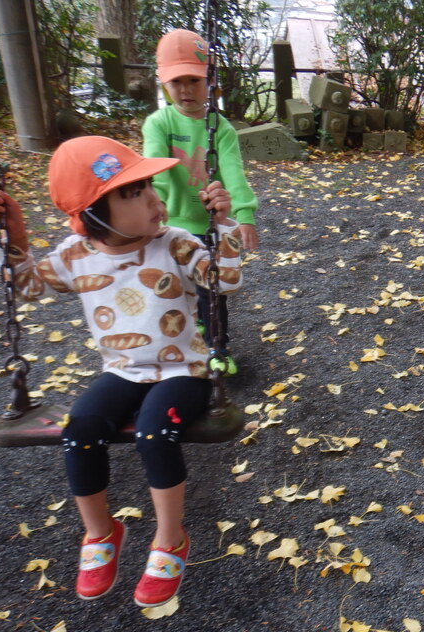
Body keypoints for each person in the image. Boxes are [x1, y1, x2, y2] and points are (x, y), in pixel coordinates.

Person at [0, 136, 243, 606]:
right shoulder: (76, 255)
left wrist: (222, 225)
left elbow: (225, 280)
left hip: (181, 371)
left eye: (148, 186)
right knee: (79, 428)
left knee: (154, 430)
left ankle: (169, 538)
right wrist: (14, 239)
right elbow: (25, 288)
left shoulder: (176, 244)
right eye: (133, 192)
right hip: (122, 370)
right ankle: (101, 533)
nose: (152, 198)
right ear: (93, 214)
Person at [142, 28, 258, 376]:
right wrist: (155, 210)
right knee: (171, 291)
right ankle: (175, 346)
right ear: (165, 85)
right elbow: (156, 171)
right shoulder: (159, 123)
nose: (185, 89)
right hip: (168, 225)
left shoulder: (219, 128)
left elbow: (233, 173)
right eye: (176, 81)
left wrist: (245, 213)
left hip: (206, 225)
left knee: (213, 292)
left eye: (194, 80)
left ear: (209, 82)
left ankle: (218, 347)